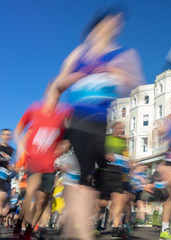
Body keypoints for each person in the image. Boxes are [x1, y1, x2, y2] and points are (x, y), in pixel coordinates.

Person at [44, 8, 143, 240]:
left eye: (119, 24)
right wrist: (75, 78)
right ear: (98, 25)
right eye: (112, 21)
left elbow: (135, 82)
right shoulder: (79, 53)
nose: (117, 26)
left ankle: (74, 228)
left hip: (101, 124)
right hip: (77, 120)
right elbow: (58, 85)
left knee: (88, 182)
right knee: (81, 178)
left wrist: (114, 72)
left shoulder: (122, 54)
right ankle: (80, 232)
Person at [14, 99, 71, 239]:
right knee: (30, 198)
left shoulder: (59, 130)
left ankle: (29, 228)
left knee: (42, 200)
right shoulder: (33, 129)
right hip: (32, 167)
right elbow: (22, 145)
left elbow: (65, 144)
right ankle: (21, 221)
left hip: (49, 167)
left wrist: (59, 157)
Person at [0, 129, 14, 217]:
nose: (7, 136)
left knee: (2, 200)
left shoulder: (12, 150)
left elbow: (13, 164)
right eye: (5, 134)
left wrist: (13, 167)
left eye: (9, 135)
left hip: (5, 177)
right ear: (1, 136)